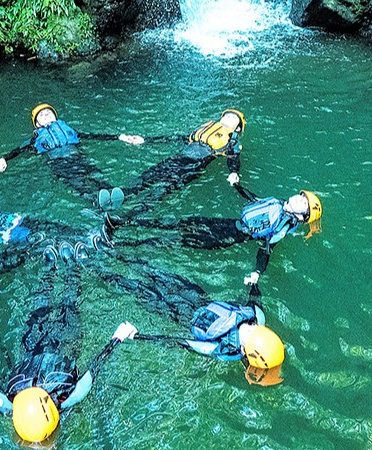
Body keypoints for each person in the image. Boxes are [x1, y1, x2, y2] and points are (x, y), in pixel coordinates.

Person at [0, 260, 138, 443]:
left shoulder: (67, 399)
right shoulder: (9, 403)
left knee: (67, 306)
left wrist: (117, 338)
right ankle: (56, 264)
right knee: (42, 309)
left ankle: (68, 265)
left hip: (62, 345)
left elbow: (94, 368)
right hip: (34, 346)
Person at [95, 257, 284, 386]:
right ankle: (98, 269)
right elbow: (179, 342)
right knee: (140, 290)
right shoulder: (218, 348)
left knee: (155, 274)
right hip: (179, 314)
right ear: (244, 352)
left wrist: (254, 281)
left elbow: (254, 298)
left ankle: (112, 252)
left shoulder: (256, 316)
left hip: (197, 296)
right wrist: (138, 336)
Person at [114, 189, 322, 287]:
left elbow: (267, 248)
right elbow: (256, 201)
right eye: (302, 196)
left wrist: (257, 272)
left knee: (178, 239)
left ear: (302, 217)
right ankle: (124, 222)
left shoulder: (284, 224)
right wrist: (237, 186)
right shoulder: (278, 202)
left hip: (228, 236)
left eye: (304, 203)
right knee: (181, 222)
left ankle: (123, 243)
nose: (299, 198)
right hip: (228, 223)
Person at [117, 109, 247, 217]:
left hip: (195, 165)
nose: (229, 117)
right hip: (179, 158)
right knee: (148, 177)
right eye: (227, 115)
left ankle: (128, 216)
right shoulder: (205, 129)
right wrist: (146, 140)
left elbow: (233, 157)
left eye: (233, 118)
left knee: (162, 190)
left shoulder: (232, 140)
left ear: (237, 128)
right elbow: (176, 138)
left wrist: (233, 172)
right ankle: (122, 195)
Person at [20, 103, 145, 204]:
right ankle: (96, 202)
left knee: (97, 177)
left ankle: (117, 196)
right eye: (41, 115)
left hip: (77, 157)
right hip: (59, 164)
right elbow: (18, 150)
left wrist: (120, 137)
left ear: (55, 117)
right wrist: (3, 160)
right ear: (37, 124)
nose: (46, 115)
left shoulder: (68, 130)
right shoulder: (35, 139)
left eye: (49, 112)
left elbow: (92, 136)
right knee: (79, 185)